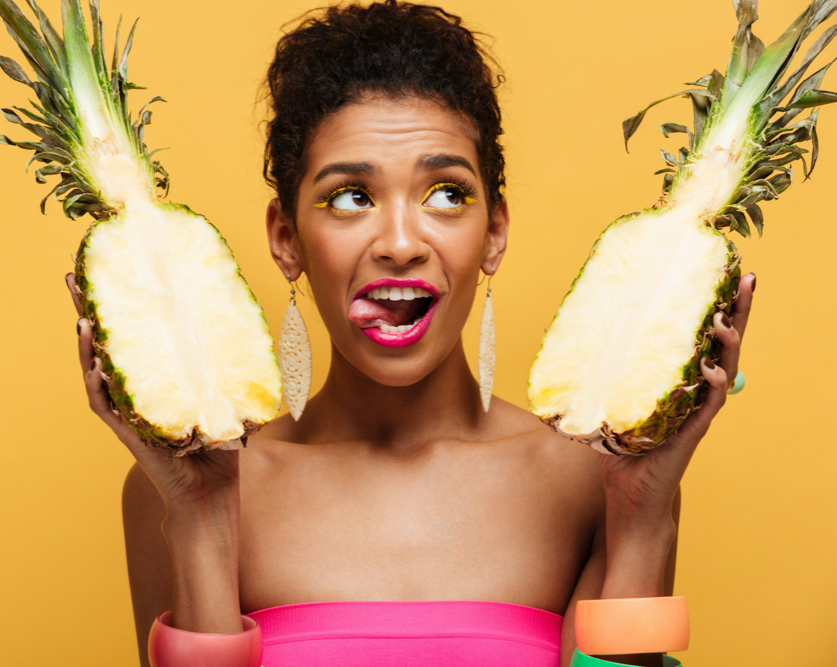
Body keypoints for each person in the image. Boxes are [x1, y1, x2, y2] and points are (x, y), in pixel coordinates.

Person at [65, 2, 754, 666]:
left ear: (495, 232)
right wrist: (202, 520)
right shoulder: (179, 487)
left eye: (447, 193)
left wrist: (641, 518)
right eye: (350, 197)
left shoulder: (594, 480)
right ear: (286, 240)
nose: (399, 243)